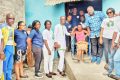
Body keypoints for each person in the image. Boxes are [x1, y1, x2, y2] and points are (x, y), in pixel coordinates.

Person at [99, 8, 117, 74]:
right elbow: (102, 29)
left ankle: (112, 65)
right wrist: (100, 38)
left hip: (113, 38)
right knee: (106, 52)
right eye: (108, 13)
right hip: (105, 37)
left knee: (112, 52)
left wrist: (116, 14)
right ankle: (107, 63)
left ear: (113, 12)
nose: (109, 14)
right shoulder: (105, 20)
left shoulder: (117, 19)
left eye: (110, 12)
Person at [1, 13, 15, 80]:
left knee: (10, 66)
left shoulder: (12, 28)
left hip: (11, 48)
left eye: (13, 19)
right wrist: (1, 51)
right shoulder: (2, 26)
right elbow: (1, 39)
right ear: (6, 19)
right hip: (5, 48)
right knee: (4, 66)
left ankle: (9, 78)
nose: (12, 20)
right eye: (10, 18)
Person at [111, 15, 120, 80]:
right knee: (115, 58)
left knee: (116, 58)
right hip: (117, 43)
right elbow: (116, 33)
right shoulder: (117, 22)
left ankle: (118, 75)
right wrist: (115, 42)